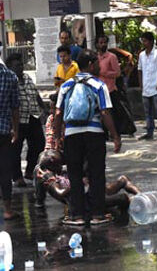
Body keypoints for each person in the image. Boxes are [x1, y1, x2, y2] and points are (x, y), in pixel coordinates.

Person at [54, 49, 122, 226]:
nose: (99, 65)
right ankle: (97, 215)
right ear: (91, 64)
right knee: (96, 174)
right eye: (97, 62)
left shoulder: (66, 85)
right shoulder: (99, 86)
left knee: (74, 175)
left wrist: (56, 136)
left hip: (72, 135)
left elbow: (58, 112)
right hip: (94, 134)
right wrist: (115, 136)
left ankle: (76, 215)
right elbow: (105, 112)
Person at [34, 150, 140, 213]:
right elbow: (60, 193)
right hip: (84, 201)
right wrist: (77, 183)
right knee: (121, 198)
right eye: (58, 165)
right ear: (51, 165)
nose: (61, 167)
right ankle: (131, 205)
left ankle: (141, 195)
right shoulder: (49, 178)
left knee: (121, 181)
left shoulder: (59, 171)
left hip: (89, 191)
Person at [5, 53, 46, 187]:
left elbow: (36, 94)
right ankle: (17, 177)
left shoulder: (27, 78)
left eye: (21, 64)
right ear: (10, 67)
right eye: (17, 65)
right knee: (15, 149)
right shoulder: (9, 80)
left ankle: (30, 170)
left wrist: (44, 109)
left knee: (39, 144)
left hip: (33, 116)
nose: (21, 67)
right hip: (18, 119)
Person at [0, 55, 20, 220]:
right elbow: (15, 107)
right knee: (5, 170)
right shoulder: (10, 76)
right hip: (4, 130)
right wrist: (16, 129)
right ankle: (7, 210)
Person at [96, 34, 124, 137]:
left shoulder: (112, 57)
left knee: (112, 114)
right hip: (99, 90)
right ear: (97, 44)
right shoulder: (96, 57)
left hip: (110, 90)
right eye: (101, 43)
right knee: (101, 113)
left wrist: (105, 73)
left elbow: (117, 73)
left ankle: (115, 134)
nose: (103, 44)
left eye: (105, 42)